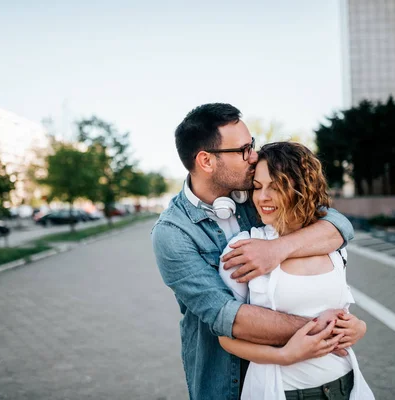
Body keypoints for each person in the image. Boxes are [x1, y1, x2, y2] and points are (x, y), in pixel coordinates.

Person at [151, 103, 366, 400]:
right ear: (206, 161)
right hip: (224, 376)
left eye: (251, 145)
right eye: (243, 150)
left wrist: (276, 250)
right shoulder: (172, 234)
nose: (253, 155)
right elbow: (228, 317)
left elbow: (338, 224)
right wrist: (331, 331)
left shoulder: (254, 195)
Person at [218, 142, 374, 400]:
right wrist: (284, 355)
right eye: (257, 187)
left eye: (276, 187)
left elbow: (337, 311)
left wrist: (359, 327)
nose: (262, 197)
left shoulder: (332, 245)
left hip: (345, 385)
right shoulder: (244, 249)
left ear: (301, 188)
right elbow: (226, 336)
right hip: (284, 391)